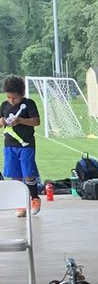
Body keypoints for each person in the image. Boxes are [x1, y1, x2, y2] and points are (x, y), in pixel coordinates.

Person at [1, 75, 41, 215]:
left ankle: (35, 198)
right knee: (15, 175)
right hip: (9, 145)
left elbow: (36, 121)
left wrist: (20, 121)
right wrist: (2, 122)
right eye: (8, 97)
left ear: (22, 94)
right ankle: (20, 203)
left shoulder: (29, 104)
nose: (11, 101)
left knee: (28, 173)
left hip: (26, 144)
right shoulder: (4, 106)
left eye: (15, 98)